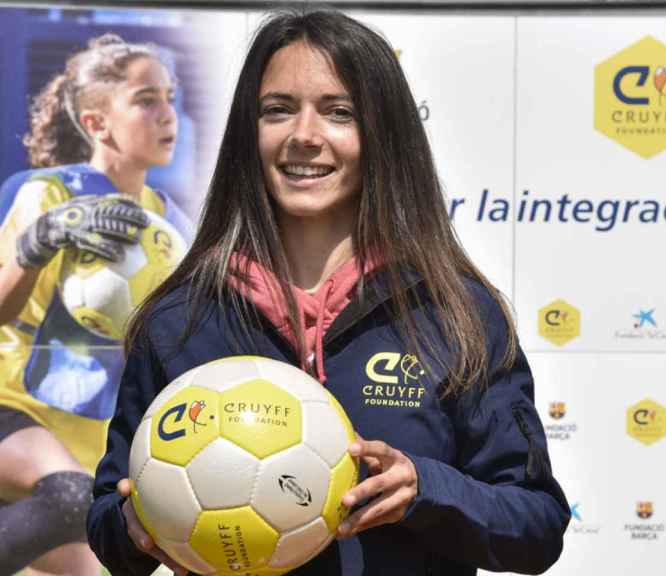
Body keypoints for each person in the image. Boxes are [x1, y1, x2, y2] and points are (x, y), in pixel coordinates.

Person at [86, 10, 570, 576]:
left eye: (339, 113)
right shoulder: (179, 319)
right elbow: (106, 522)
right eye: (278, 110)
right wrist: (136, 525)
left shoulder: (457, 313)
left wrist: (425, 489)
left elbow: (536, 527)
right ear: (251, 132)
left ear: (382, 135)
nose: (304, 137)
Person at [0, 34, 189, 575]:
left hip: (87, 447)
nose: (166, 114)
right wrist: (39, 243)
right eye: (145, 99)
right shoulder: (47, 194)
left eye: (170, 97)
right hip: (14, 409)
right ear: (96, 123)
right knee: (69, 500)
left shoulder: (175, 227)